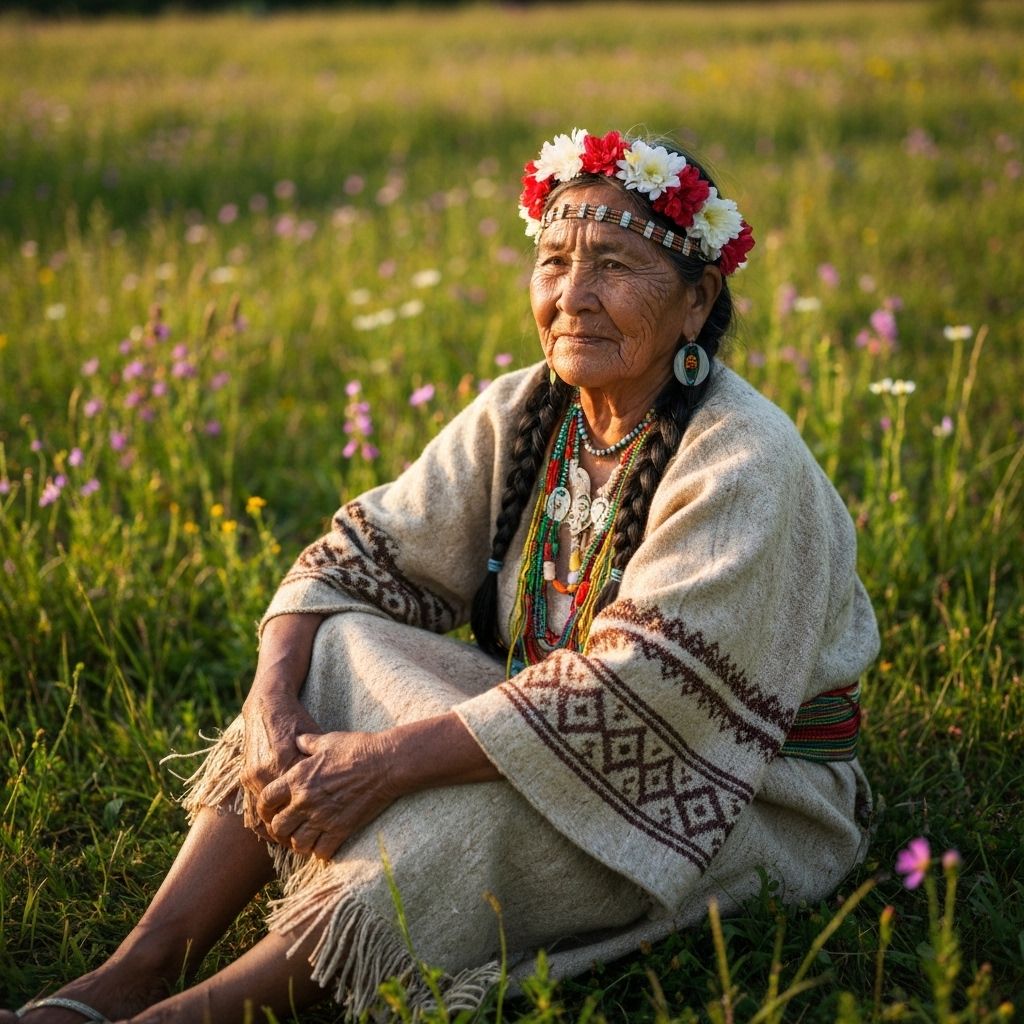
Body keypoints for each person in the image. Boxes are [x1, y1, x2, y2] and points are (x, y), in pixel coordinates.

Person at [6, 128, 878, 1024]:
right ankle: (137, 968)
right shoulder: (526, 408)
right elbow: (350, 562)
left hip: (733, 788)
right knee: (332, 646)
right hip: (556, 735)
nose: (572, 297)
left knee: (453, 826)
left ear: (697, 301)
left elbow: (638, 694)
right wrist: (272, 708)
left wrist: (386, 764)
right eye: (553, 263)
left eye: (614, 267)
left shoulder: (743, 458)